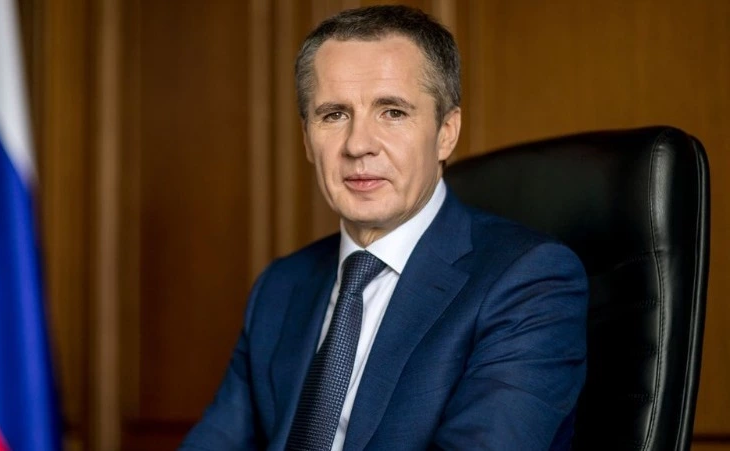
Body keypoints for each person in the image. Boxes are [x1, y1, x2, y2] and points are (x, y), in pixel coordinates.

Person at [180, 5, 587, 450]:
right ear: (307, 139)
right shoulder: (280, 287)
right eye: (334, 115)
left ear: (446, 132)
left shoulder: (530, 281)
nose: (358, 145)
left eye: (392, 112)